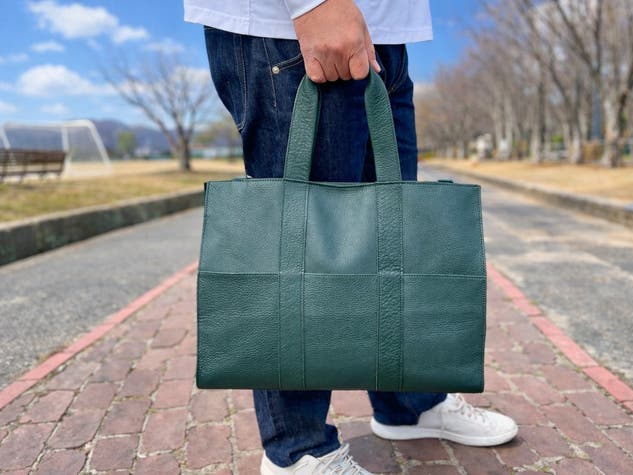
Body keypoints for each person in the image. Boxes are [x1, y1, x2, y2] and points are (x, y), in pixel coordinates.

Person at [184, 0, 518, 472]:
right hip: (299, 26)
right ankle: (298, 451)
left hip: (386, 36)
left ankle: (410, 405)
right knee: (295, 255)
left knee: (394, 233)